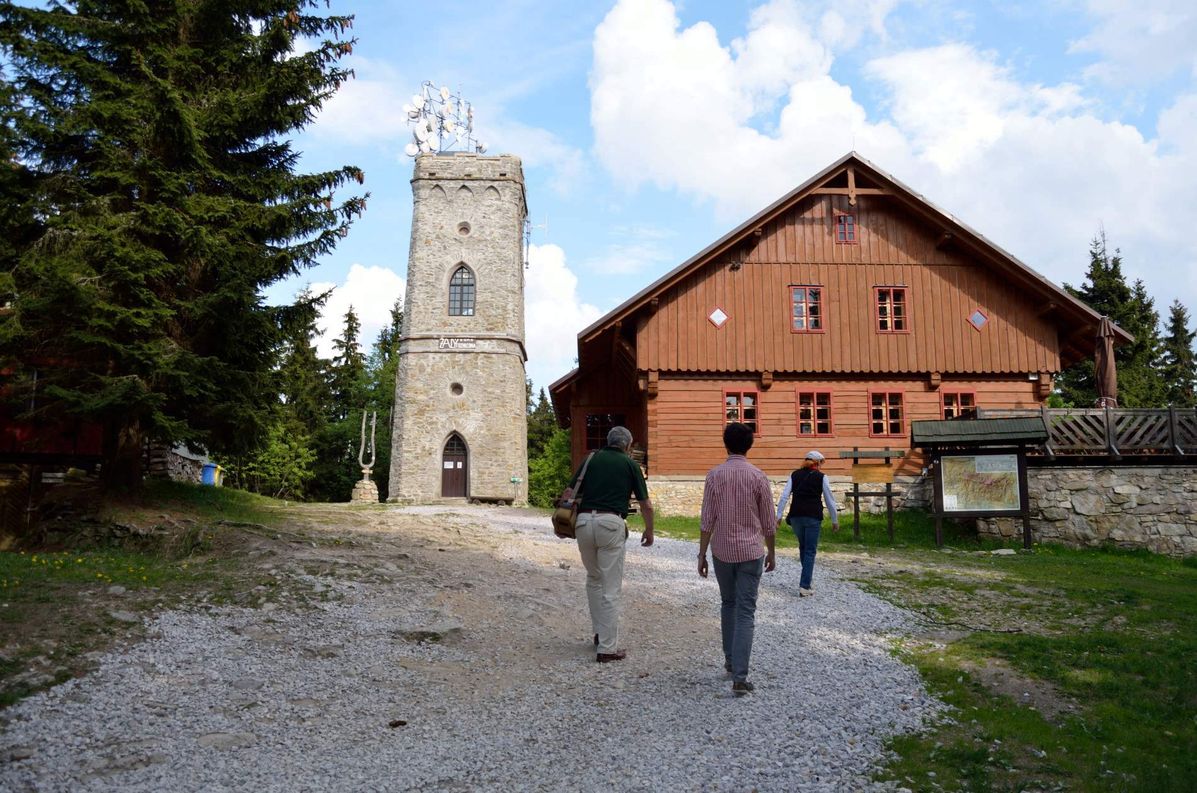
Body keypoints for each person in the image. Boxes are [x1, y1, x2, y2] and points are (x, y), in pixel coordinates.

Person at [562, 426, 654, 663]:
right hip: (611, 523)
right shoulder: (630, 464)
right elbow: (645, 504)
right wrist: (649, 529)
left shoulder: (590, 459)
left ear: (608, 441)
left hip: (583, 523)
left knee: (593, 579)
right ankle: (607, 648)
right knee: (610, 587)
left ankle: (598, 634)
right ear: (627, 445)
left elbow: (569, 491)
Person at [697, 422, 777, 696]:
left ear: (726, 444)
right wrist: (772, 552)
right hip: (751, 551)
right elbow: (769, 522)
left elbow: (707, 519)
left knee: (728, 603)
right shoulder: (758, 477)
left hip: (722, 551)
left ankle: (731, 661)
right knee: (745, 611)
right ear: (749, 445)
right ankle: (740, 678)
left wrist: (701, 554)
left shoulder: (714, 476)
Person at [775, 450, 839, 597]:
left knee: (803, 547)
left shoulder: (794, 475)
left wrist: (778, 516)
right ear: (818, 463)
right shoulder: (822, 477)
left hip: (796, 516)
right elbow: (829, 500)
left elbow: (784, 496)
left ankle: (807, 578)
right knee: (810, 550)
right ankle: (805, 586)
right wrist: (834, 520)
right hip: (813, 517)